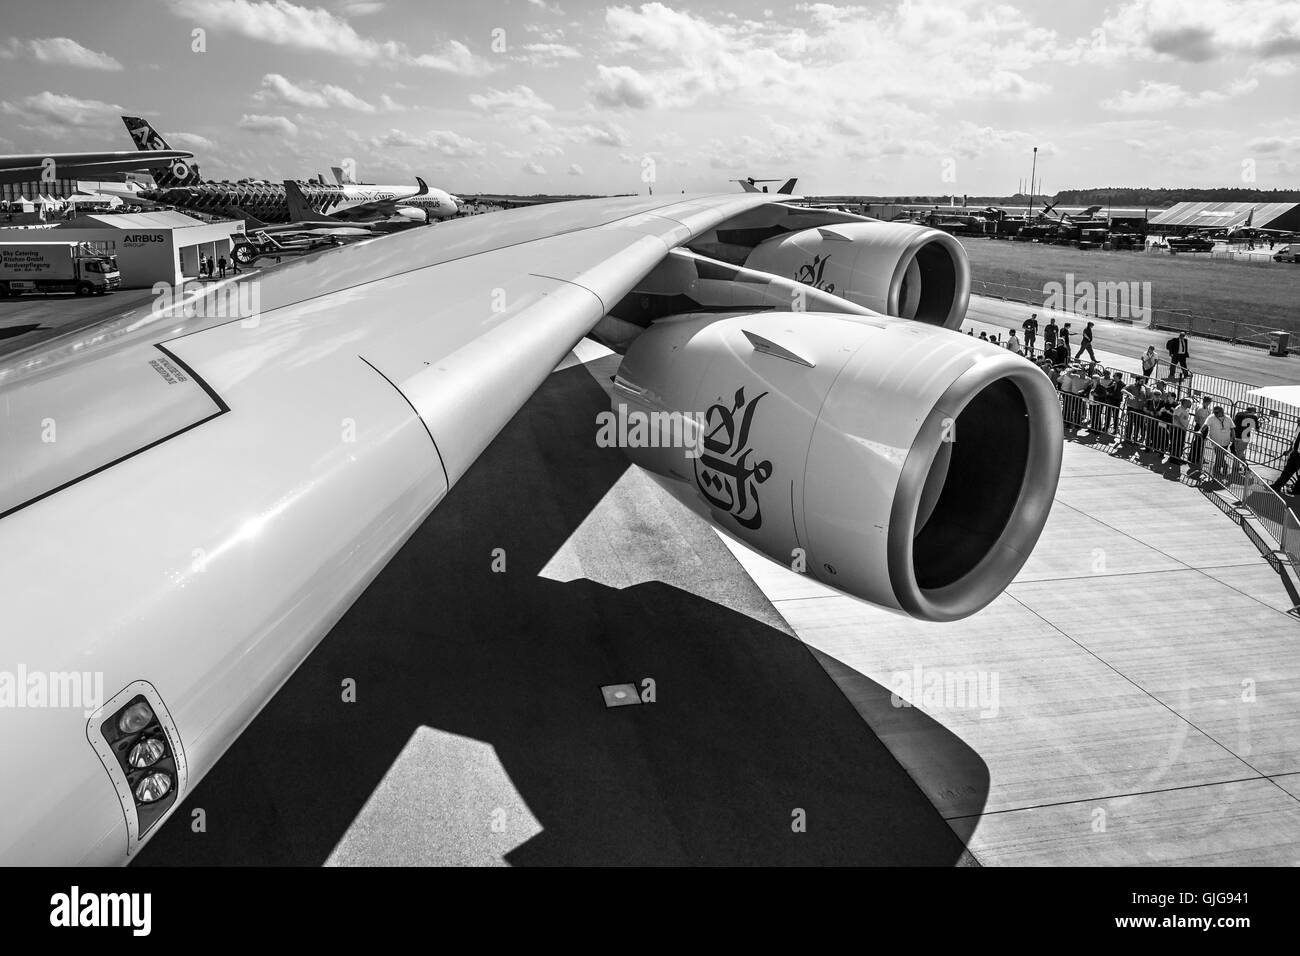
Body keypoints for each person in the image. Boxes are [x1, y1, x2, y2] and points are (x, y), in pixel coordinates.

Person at [1201, 406, 1233, 481]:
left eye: (1216, 412)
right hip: (1216, 442)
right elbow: (1205, 425)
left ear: (1221, 412)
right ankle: (1220, 469)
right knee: (1219, 456)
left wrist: (1233, 438)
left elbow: (1232, 428)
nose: (1215, 414)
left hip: (1226, 441)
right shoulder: (1211, 417)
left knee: (1219, 456)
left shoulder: (1228, 418)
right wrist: (1201, 431)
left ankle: (1217, 471)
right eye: (1214, 412)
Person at [1272, 428, 1300, 494]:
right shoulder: (1298, 428)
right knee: (1286, 472)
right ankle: (1276, 487)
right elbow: (1295, 441)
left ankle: (1296, 492)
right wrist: (1289, 451)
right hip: (1295, 454)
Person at [1189, 396, 1213, 472]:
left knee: (1200, 443)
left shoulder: (1204, 408)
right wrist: (1202, 429)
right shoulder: (1201, 409)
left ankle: (1198, 457)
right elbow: (1201, 420)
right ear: (1207, 402)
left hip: (1202, 427)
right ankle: (1194, 458)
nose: (1210, 404)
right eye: (1209, 402)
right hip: (1201, 427)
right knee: (1198, 443)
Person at [1170, 398, 1192, 463]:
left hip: (1182, 429)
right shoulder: (1179, 409)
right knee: (1176, 443)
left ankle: (1178, 457)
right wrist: (1182, 427)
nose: (1191, 404)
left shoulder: (1185, 409)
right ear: (1185, 403)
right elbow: (1176, 419)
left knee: (1180, 444)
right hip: (1178, 429)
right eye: (1189, 403)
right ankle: (1174, 458)